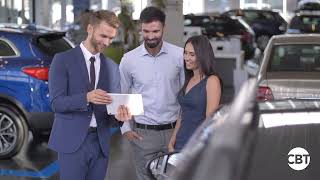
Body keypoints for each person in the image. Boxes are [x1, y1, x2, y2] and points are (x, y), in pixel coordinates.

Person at [48, 10, 131, 180]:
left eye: (111, 38)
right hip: (72, 142)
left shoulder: (112, 67)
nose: (107, 42)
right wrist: (86, 97)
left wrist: (120, 116)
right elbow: (57, 103)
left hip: (100, 144)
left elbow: (112, 115)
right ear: (90, 29)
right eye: (103, 36)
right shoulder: (62, 60)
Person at [119, 6, 184, 180]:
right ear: (141, 28)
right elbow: (122, 94)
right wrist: (125, 128)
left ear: (164, 28)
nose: (150, 36)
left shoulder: (179, 56)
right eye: (146, 31)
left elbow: (187, 95)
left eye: (155, 31)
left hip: (174, 132)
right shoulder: (129, 60)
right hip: (143, 134)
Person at [168, 35, 222, 152]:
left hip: (196, 147)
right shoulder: (189, 79)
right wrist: (172, 140)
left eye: (192, 54)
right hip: (179, 144)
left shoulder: (212, 81)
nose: (186, 57)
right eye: (185, 53)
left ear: (202, 56)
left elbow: (210, 120)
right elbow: (182, 114)